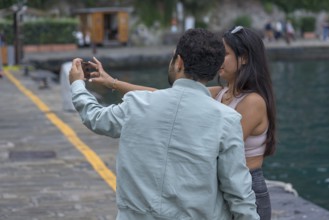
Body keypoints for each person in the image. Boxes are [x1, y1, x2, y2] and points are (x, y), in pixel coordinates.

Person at [85, 26, 276, 220]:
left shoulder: (253, 102)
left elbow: (216, 149)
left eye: (225, 54)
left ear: (243, 58)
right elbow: (162, 96)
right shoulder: (220, 92)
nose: (219, 60)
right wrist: (113, 83)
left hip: (247, 190)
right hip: (226, 184)